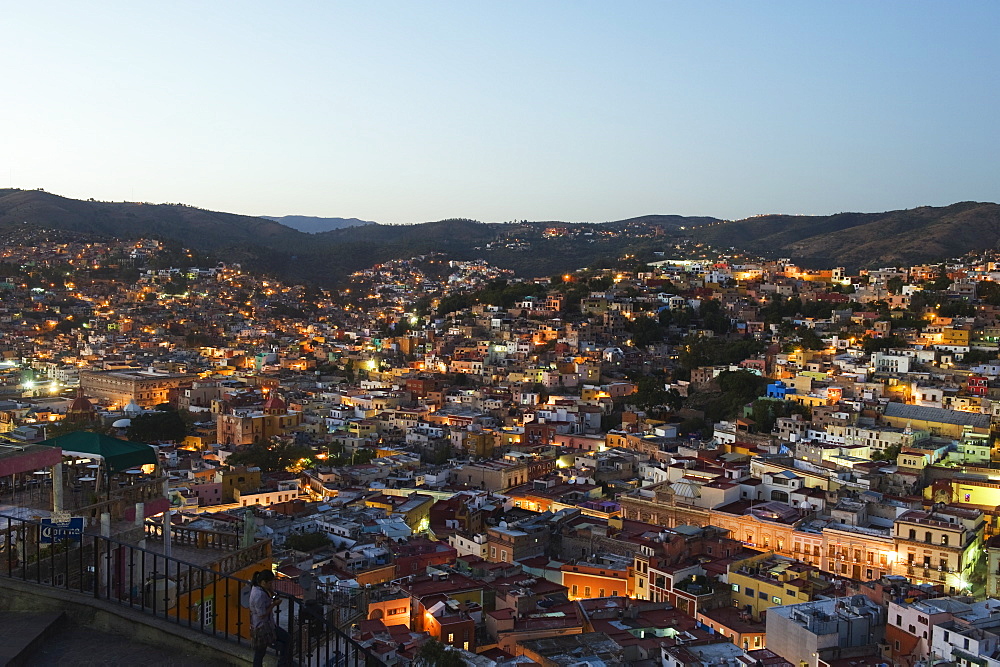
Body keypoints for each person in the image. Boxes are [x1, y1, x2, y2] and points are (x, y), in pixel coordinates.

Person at [249, 569, 290, 667]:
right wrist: (273, 604)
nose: (271, 585)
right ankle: (282, 664)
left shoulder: (258, 588)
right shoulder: (259, 595)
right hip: (262, 626)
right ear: (263, 582)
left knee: (260, 653)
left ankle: (283, 662)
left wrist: (271, 591)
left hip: (264, 625)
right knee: (285, 640)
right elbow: (262, 614)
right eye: (270, 583)